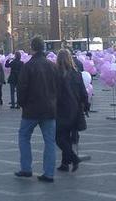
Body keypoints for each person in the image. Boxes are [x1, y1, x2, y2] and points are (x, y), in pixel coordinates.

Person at [16, 36, 58, 183]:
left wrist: (22, 104)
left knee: (23, 137)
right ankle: (49, 173)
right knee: (50, 142)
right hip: (50, 109)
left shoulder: (28, 66)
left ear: (32, 48)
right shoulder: (53, 66)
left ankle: (26, 168)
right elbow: (58, 88)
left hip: (31, 110)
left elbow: (22, 88)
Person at [55, 49, 89, 173]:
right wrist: (86, 105)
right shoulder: (77, 73)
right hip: (75, 110)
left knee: (59, 137)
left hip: (62, 109)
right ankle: (65, 163)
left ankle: (73, 158)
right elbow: (83, 92)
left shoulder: (57, 74)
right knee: (67, 137)